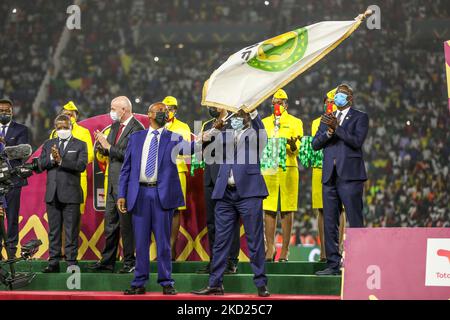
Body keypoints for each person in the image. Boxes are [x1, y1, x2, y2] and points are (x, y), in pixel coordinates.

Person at [118, 102, 194, 295]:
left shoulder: (172, 138)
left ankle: (166, 282)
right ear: (149, 114)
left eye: (166, 111)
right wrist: (122, 194)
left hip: (161, 195)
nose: (164, 113)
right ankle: (139, 283)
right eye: (161, 111)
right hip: (140, 194)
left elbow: (190, 149)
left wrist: (209, 137)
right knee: (141, 242)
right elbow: (126, 168)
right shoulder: (136, 138)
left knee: (163, 242)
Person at [192, 109, 270, 297]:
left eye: (239, 116)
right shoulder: (223, 135)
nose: (235, 119)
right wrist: (212, 131)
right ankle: (215, 284)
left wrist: (253, 112)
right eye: (233, 116)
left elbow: (262, 132)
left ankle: (261, 284)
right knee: (220, 241)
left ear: (246, 119)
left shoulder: (254, 135)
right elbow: (195, 149)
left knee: (254, 240)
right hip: (225, 194)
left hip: (249, 193)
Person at [312, 84, 369, 275]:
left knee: (355, 219)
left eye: (343, 95)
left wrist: (337, 129)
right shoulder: (327, 118)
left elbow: (356, 141)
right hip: (329, 177)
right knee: (330, 223)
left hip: (350, 177)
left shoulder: (360, 117)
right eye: (337, 95)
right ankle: (333, 265)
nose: (339, 97)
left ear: (350, 98)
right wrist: (328, 131)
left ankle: (361, 262)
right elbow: (315, 144)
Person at [89, 96, 144, 273]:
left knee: (126, 225)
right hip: (112, 182)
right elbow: (110, 149)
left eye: (114, 108)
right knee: (110, 224)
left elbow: (131, 154)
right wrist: (101, 145)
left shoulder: (137, 128)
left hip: (127, 184)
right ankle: (108, 261)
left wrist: (108, 145)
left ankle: (129, 261)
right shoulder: (115, 126)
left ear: (124, 110)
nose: (111, 112)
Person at [38, 115, 87, 272]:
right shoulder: (48, 144)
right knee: (53, 231)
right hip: (52, 194)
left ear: (71, 126)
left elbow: (81, 166)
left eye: (65, 127)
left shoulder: (80, 145)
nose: (62, 130)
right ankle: (53, 262)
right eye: (59, 128)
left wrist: (61, 161)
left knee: (71, 230)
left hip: (71, 194)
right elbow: (40, 165)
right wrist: (53, 158)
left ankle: (71, 262)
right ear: (55, 128)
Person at [196, 107, 240, 274]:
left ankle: (231, 261)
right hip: (209, 177)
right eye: (209, 106)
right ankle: (215, 260)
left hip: (227, 177)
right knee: (212, 222)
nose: (211, 108)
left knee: (230, 221)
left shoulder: (235, 121)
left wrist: (215, 133)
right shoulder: (207, 124)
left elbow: (236, 146)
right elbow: (200, 147)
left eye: (214, 105)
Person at [261, 89, 303, 262]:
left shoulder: (295, 122)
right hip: (269, 169)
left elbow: (297, 148)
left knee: (287, 209)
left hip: (288, 168)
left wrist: (291, 145)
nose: (276, 105)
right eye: (274, 102)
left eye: (280, 102)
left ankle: (285, 250)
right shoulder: (264, 123)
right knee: (269, 209)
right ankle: (270, 249)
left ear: (286, 104)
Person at [311, 89, 346, 262]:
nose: (329, 103)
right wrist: (328, 132)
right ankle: (325, 252)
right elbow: (314, 144)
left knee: (341, 210)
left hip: (341, 169)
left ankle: (339, 249)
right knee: (322, 210)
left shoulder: (346, 119)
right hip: (321, 169)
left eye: (332, 100)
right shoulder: (318, 122)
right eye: (327, 101)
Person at [161, 96, 192, 260]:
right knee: (160, 209)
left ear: (176, 110)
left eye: (171, 108)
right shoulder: (155, 125)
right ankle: (162, 248)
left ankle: (171, 248)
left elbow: (185, 149)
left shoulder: (182, 127)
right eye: (165, 108)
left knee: (175, 210)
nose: (168, 111)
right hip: (158, 172)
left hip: (177, 170)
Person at [50, 101, 94, 215]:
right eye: (66, 114)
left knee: (76, 213)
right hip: (57, 177)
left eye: (71, 115)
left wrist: (67, 162)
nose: (68, 117)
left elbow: (90, 155)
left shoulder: (83, 132)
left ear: (76, 116)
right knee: (58, 213)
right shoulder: (54, 132)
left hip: (76, 177)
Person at [0, 97, 30, 259]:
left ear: (12, 112)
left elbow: (24, 152)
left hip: (12, 181)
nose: (4, 113)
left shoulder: (21, 130)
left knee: (11, 217)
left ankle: (11, 251)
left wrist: (3, 148)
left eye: (7, 111)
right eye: (1, 110)